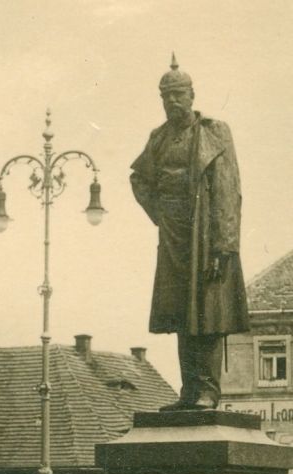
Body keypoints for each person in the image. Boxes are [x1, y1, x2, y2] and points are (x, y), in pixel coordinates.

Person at [130, 54, 249, 410]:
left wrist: (223, 247)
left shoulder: (214, 132)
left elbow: (229, 191)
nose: (172, 101)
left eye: (178, 94)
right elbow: (139, 178)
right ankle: (189, 391)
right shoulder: (159, 138)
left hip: (206, 237)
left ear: (192, 95)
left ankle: (208, 390)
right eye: (166, 96)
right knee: (182, 313)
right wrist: (160, 212)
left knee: (208, 313)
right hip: (173, 237)